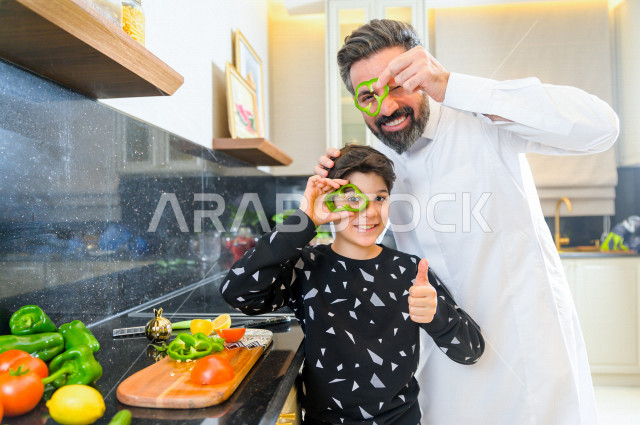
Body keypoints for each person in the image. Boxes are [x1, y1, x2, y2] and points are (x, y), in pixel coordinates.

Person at [314, 19, 619, 425]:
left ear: (422, 75)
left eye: (398, 84)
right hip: (443, 359)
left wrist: (454, 85)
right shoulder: (376, 166)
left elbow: (601, 128)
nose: (386, 107)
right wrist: (331, 194)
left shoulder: (481, 117)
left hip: (528, 357)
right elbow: (368, 252)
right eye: (368, 95)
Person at [221, 145, 484, 425]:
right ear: (330, 201)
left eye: (379, 198)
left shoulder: (411, 270)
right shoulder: (304, 267)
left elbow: (470, 351)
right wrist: (304, 221)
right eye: (353, 199)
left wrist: (436, 315)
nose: (369, 213)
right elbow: (238, 293)